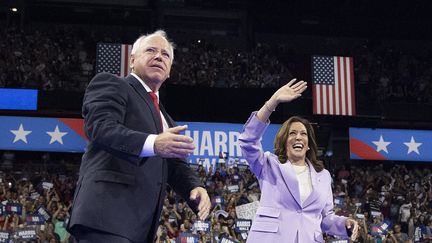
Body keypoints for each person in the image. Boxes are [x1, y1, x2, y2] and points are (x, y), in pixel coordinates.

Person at [67, 30, 211, 243]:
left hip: (140, 229)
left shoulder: (164, 116)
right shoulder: (113, 84)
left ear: (169, 70)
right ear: (132, 60)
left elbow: (173, 165)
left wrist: (194, 187)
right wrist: (153, 143)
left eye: (165, 54)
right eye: (151, 50)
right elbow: (100, 127)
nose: (159, 56)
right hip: (106, 218)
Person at [238, 79, 359, 242]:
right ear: (284, 141)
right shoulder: (269, 165)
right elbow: (247, 141)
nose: (298, 137)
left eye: (303, 134)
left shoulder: (323, 176)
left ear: (308, 144)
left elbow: (325, 218)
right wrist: (272, 103)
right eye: (292, 133)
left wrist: (345, 223)